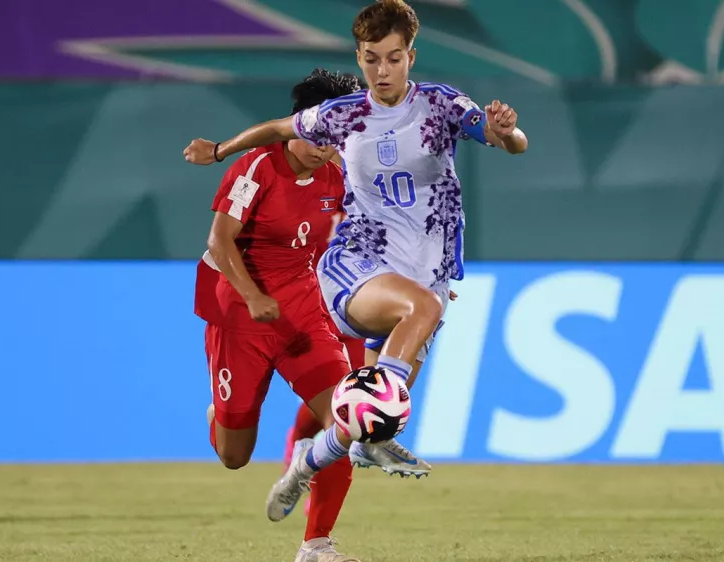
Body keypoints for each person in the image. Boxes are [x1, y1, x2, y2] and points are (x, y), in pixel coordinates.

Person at [184, 0, 527, 521]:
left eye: (392, 58)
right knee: (414, 321)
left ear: (411, 56)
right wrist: (220, 150)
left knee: (373, 421)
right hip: (358, 265)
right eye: (371, 59)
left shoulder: (442, 106)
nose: (381, 71)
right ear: (359, 56)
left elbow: (514, 143)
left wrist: (507, 133)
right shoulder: (343, 116)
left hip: (423, 277)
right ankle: (298, 460)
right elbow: (278, 129)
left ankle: (306, 465)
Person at [194, 68, 394, 562]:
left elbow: (371, 232)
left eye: (335, 138)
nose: (325, 147)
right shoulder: (256, 166)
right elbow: (220, 239)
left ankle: (316, 545)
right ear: (298, 122)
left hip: (303, 307)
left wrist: (414, 281)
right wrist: (252, 294)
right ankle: (221, 417)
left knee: (351, 419)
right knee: (234, 456)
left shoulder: (341, 172)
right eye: (317, 135)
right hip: (240, 311)